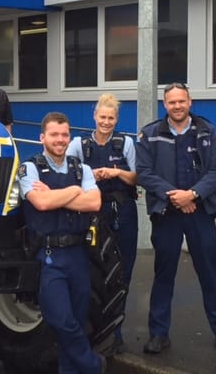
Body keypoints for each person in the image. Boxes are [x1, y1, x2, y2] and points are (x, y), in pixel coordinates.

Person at [135, 82, 216, 357]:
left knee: (209, 274)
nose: (177, 106)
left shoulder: (206, 130)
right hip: (166, 214)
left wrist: (192, 195)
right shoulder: (150, 134)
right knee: (164, 276)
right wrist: (176, 197)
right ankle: (159, 334)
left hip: (200, 213)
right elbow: (144, 173)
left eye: (181, 101)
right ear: (165, 104)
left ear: (190, 102)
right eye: (172, 102)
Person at [18, 112, 106, 374]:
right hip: (49, 257)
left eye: (64, 134)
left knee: (77, 320)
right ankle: (92, 365)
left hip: (78, 254)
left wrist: (57, 195)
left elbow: (95, 203)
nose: (60, 140)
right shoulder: (30, 167)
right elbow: (40, 203)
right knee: (61, 320)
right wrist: (74, 191)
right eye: (54, 135)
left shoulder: (82, 168)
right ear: (42, 137)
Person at [66, 93, 137, 354]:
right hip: (89, 213)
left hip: (122, 214)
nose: (106, 122)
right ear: (94, 116)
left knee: (123, 273)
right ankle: (86, 332)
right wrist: (88, 175)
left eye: (111, 118)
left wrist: (117, 172)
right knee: (87, 272)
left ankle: (115, 332)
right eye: (102, 117)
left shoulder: (125, 144)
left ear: (116, 119)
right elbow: (66, 175)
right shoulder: (79, 144)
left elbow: (137, 177)